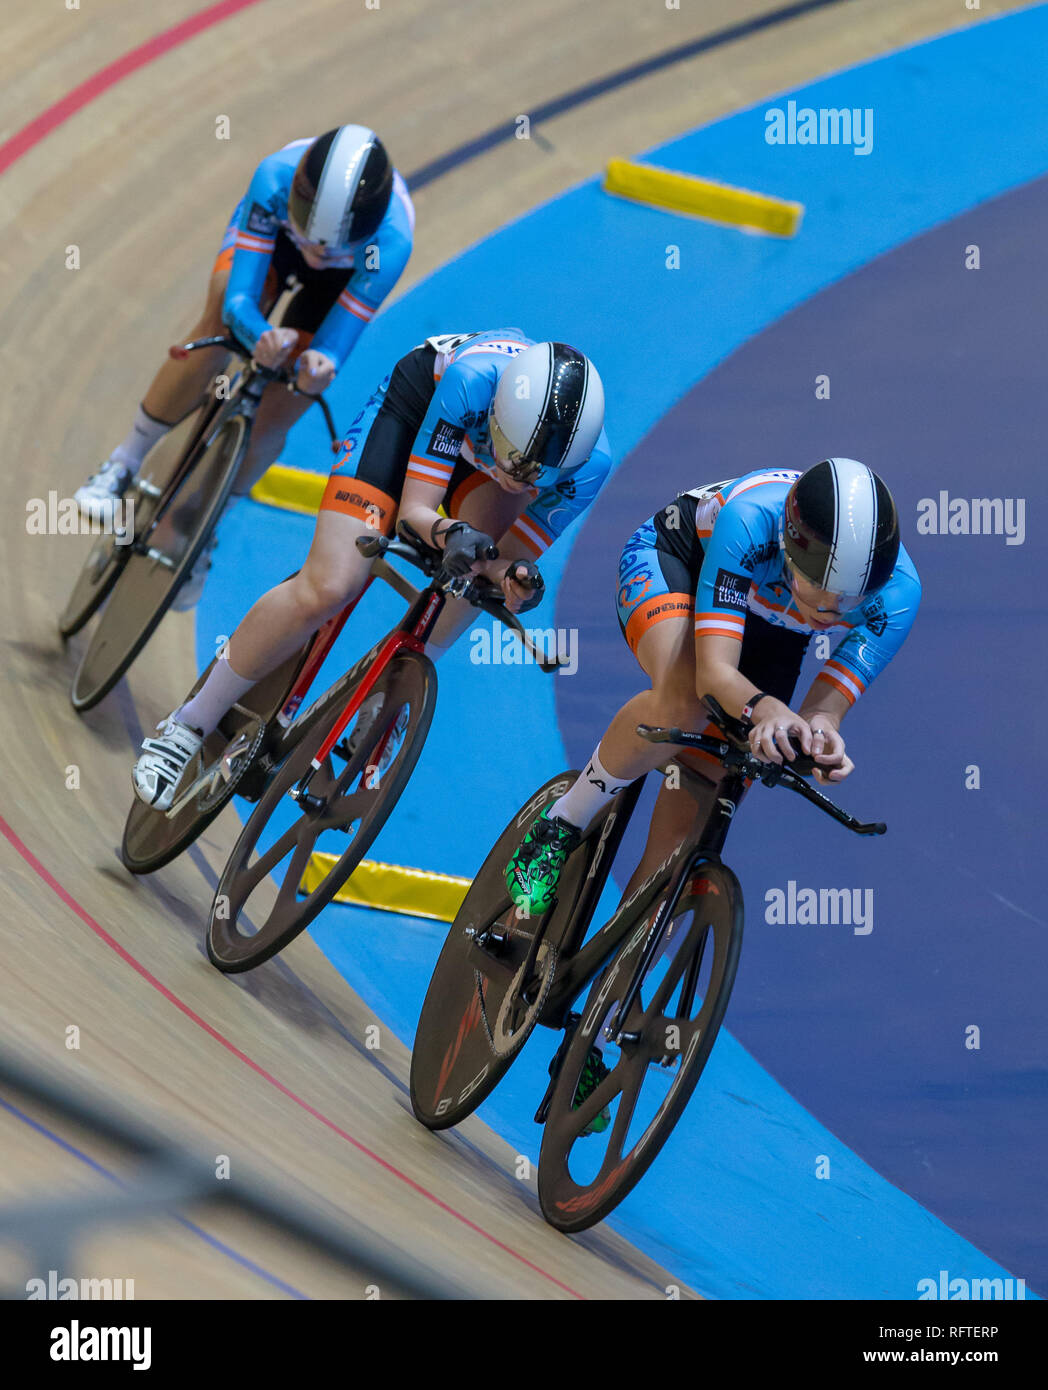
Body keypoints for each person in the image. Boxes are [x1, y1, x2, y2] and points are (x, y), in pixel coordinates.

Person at [505, 458, 921, 1131]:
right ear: (793, 544)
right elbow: (717, 675)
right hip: (680, 567)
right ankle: (560, 825)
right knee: (686, 701)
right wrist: (763, 710)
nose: (830, 611)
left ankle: (598, 1029)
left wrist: (818, 741)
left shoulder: (897, 595)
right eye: (820, 589)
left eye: (846, 603)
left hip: (769, 630)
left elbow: (824, 711)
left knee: (684, 839)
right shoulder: (753, 521)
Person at [131, 330, 610, 809]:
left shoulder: (588, 468)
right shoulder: (472, 381)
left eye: (535, 475)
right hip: (412, 413)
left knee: (477, 574)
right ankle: (187, 726)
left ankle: (391, 691)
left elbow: (508, 558)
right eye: (513, 457)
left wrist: (512, 579)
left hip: (478, 467)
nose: (516, 476)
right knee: (330, 584)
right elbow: (413, 515)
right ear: (500, 414)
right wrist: (449, 534)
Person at [75, 125, 414, 609]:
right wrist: (259, 336)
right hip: (275, 244)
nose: (319, 254)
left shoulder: (392, 243)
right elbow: (239, 300)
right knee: (219, 324)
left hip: (341, 283)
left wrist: (316, 366)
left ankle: (205, 527)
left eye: (331, 246)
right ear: (298, 192)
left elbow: (334, 346)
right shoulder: (273, 180)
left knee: (291, 397)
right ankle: (122, 462)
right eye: (313, 237)